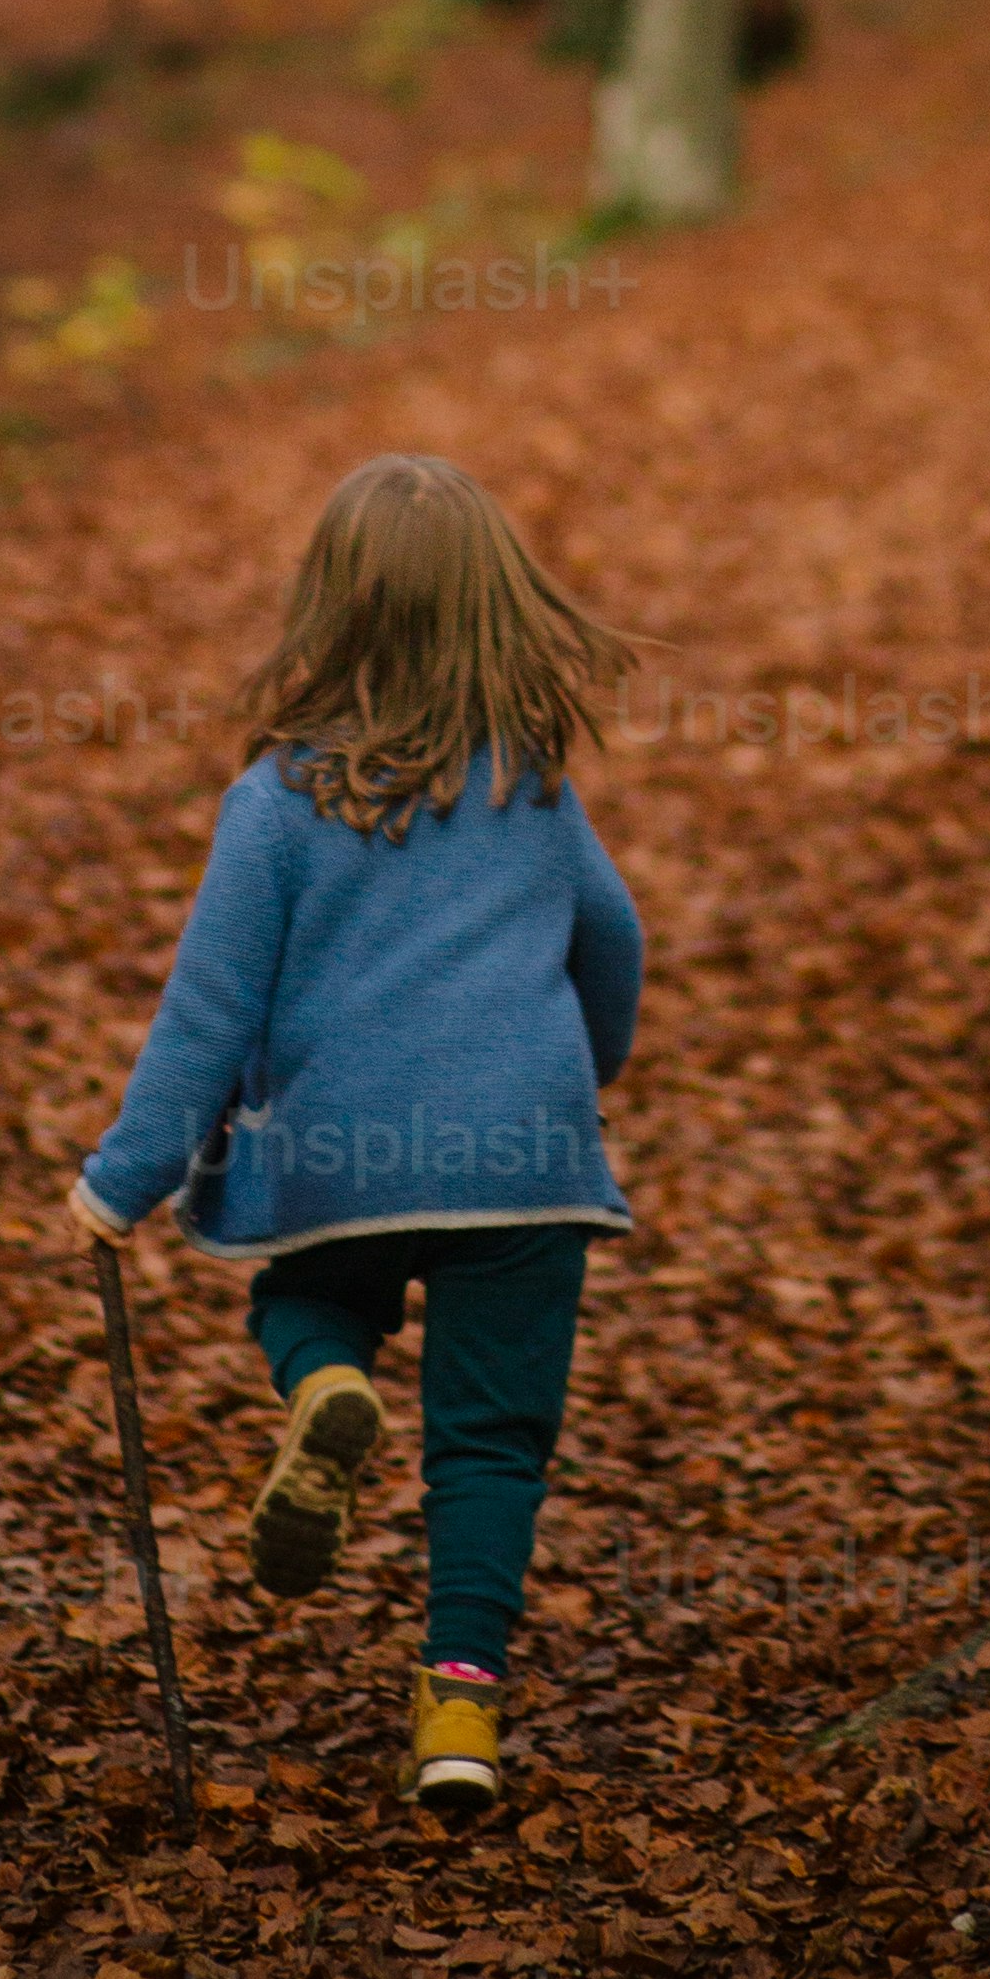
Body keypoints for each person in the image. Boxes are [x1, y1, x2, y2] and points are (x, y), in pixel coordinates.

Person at [71, 453, 643, 1814]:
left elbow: (207, 1015)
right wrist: (582, 1076)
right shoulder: (533, 790)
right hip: (524, 1162)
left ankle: (327, 1383)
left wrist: (122, 1180)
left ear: (326, 611)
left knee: (307, 1292)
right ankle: (459, 1716)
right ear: (495, 610)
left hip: (346, 1163)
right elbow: (611, 945)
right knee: (491, 1445)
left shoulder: (274, 804)